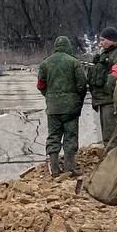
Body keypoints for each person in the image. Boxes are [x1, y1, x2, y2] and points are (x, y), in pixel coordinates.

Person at [36, 36, 87, 176]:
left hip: (53, 108)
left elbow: (40, 85)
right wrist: (77, 98)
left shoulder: (45, 63)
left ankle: (54, 168)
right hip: (71, 107)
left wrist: (49, 95)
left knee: (53, 136)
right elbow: (82, 84)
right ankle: (70, 167)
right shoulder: (74, 62)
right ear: (68, 46)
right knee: (70, 136)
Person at [88, 27, 117, 145]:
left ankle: (116, 162)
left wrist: (106, 88)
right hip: (104, 101)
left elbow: (115, 76)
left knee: (112, 138)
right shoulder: (106, 54)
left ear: (111, 40)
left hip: (112, 101)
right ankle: (111, 160)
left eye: (103, 40)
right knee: (107, 137)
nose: (101, 43)